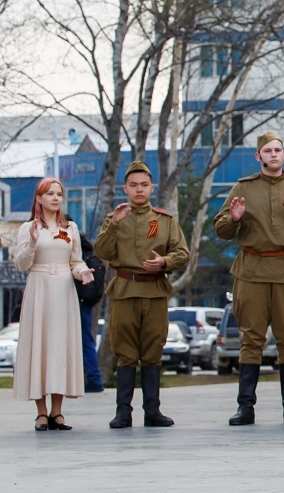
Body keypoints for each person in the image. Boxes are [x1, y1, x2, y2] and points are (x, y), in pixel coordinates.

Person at [214, 131, 284, 426]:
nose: (274, 154)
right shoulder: (243, 188)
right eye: (268, 151)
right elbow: (221, 229)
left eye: (278, 150)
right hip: (252, 269)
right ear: (258, 156)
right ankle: (245, 408)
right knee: (250, 338)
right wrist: (235, 218)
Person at [94, 161, 189, 429]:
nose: (139, 190)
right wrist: (114, 224)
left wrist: (164, 262)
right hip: (125, 289)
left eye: (144, 185)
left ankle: (153, 411)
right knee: (125, 353)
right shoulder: (115, 218)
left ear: (152, 188)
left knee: (152, 351)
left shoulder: (165, 220)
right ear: (125, 188)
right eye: (133, 185)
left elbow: (182, 252)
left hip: (155, 290)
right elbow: (101, 251)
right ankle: (123, 413)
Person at [12, 178, 94, 431]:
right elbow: (20, 264)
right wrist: (34, 244)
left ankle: (57, 412)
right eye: (50, 193)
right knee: (40, 345)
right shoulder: (28, 228)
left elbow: (76, 261)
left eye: (59, 194)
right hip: (39, 287)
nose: (56, 198)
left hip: (64, 291)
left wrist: (83, 273)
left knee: (60, 346)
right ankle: (41, 412)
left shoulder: (70, 228)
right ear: (39, 198)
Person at [77, 229, 105, 393]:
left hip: (76, 302)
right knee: (87, 340)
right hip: (86, 303)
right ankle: (94, 378)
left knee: (82, 341)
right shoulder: (89, 250)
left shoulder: (73, 248)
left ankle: (92, 379)